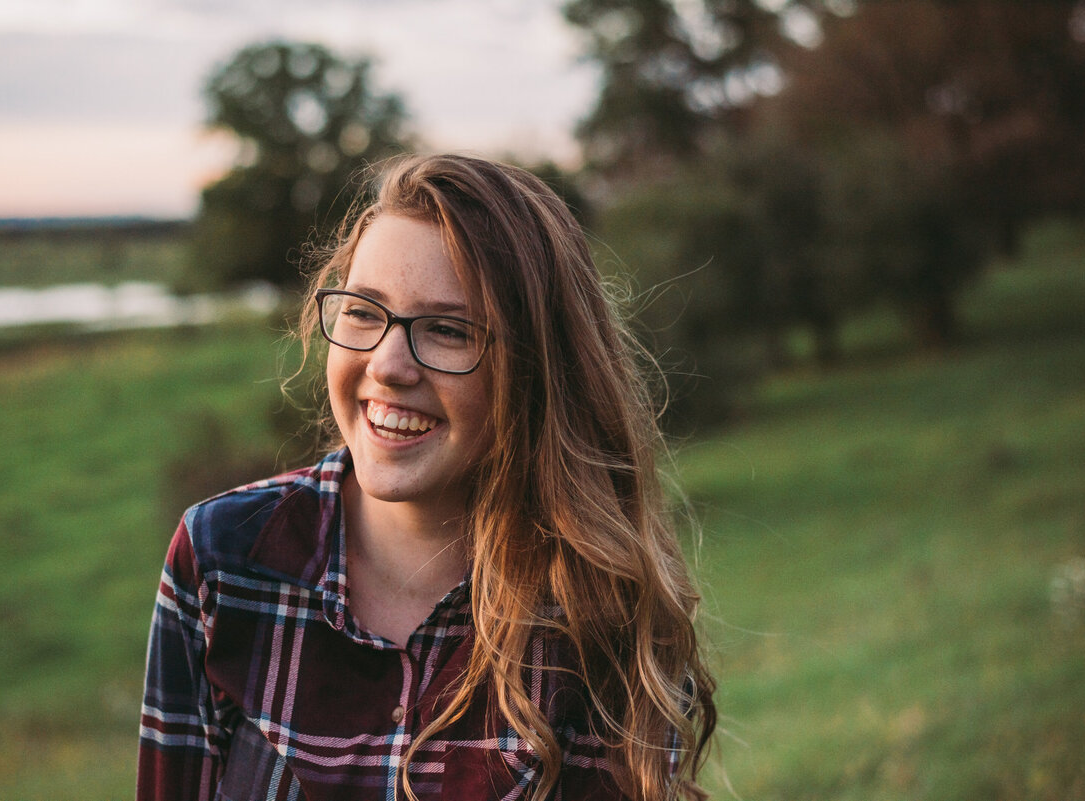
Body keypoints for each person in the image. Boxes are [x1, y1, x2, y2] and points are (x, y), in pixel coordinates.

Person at [137, 154, 716, 801]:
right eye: (362, 311)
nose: (387, 365)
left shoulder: (596, 604)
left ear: (537, 368)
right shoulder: (224, 558)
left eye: (446, 329)